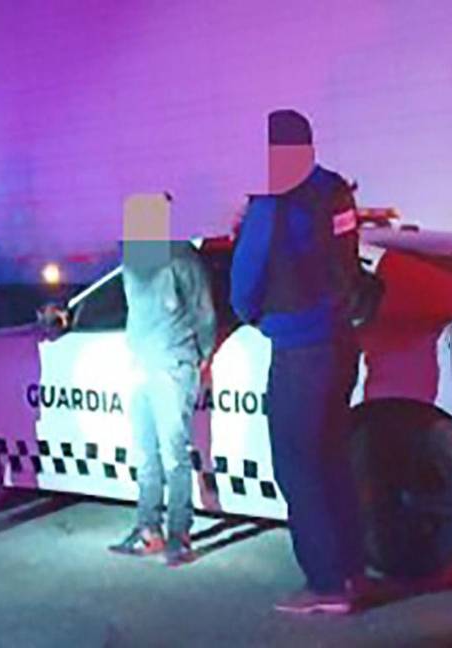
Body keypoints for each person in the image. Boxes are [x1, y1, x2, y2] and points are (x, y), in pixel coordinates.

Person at [230, 109, 365, 615]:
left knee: (297, 466)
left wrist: (252, 315)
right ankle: (351, 570)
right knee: (332, 460)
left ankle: (325, 585)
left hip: (299, 350)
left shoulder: (272, 203)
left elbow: (244, 281)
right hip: (342, 342)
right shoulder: (335, 190)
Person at [108, 193, 217, 567]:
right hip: (142, 364)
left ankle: (179, 535)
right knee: (145, 453)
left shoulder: (181, 256)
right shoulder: (134, 257)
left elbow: (204, 311)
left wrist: (200, 355)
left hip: (172, 364)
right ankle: (148, 531)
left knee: (173, 454)